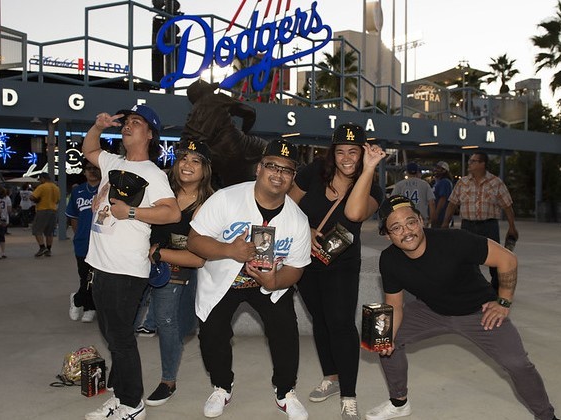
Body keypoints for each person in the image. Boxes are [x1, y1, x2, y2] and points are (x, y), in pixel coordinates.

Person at [365, 195, 559, 420]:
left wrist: (503, 302)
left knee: (518, 364)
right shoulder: (389, 260)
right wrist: (385, 337)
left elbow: (508, 259)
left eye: (411, 222)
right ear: (386, 234)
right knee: (386, 340)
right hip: (431, 310)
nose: (406, 231)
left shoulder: (454, 240)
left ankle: (546, 416)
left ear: (421, 220)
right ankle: (399, 403)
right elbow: (394, 305)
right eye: (396, 228)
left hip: (478, 312)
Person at [187, 139, 311, 420]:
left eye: (287, 170)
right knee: (212, 334)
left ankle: (285, 391)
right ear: (259, 168)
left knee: (285, 332)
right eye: (272, 166)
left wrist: (275, 282)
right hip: (224, 280)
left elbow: (296, 267)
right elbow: (194, 241)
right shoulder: (227, 198)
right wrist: (228, 250)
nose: (278, 174)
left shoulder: (297, 220)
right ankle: (221, 386)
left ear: (292, 178)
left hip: (268, 282)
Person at [82, 105, 181, 420]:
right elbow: (89, 149)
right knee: (112, 336)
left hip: (126, 269)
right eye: (126, 122)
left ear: (149, 134)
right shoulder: (113, 162)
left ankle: (132, 404)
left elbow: (172, 212)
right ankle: (121, 395)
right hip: (101, 264)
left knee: (121, 338)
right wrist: (97, 126)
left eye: (136, 123)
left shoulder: (153, 173)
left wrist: (132, 212)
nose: (127, 126)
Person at [288, 123, 385, 420]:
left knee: (341, 322)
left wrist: (367, 169)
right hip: (306, 258)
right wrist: (307, 228)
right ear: (333, 152)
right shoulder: (312, 173)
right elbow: (287, 205)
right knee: (320, 318)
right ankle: (331, 377)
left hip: (342, 264)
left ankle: (349, 394)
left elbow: (354, 214)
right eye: (340, 151)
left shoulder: (373, 189)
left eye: (353, 152)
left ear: (363, 153)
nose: (346, 158)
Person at [143, 139, 214, 408]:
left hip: (177, 269)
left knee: (169, 324)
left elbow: (198, 258)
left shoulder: (209, 204)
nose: (187, 164)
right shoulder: (161, 191)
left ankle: (168, 381)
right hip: (141, 265)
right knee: (125, 319)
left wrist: (159, 254)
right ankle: (122, 370)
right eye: (183, 158)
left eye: (195, 161)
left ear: (205, 169)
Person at [441, 152, 518, 291]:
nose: (469, 164)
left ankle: (496, 290)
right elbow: (452, 203)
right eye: (470, 161)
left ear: (482, 164)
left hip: (489, 225)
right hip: (468, 226)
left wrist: (512, 227)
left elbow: (507, 206)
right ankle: (471, 289)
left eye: (473, 161)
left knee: (495, 260)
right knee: (467, 259)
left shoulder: (496, 182)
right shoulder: (462, 182)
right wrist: (445, 223)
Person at [180, 79, 267, 187]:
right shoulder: (217, 98)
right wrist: (244, 132)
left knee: (230, 185)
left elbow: (186, 141)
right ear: (206, 91)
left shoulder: (193, 113)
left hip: (216, 158)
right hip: (236, 145)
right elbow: (250, 113)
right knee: (268, 149)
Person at [66, 160, 101, 323]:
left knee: (97, 278)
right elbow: (73, 217)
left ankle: (78, 300)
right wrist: (79, 234)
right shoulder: (77, 191)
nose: (92, 172)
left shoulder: (105, 190)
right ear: (84, 172)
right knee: (85, 277)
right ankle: (89, 307)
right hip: (83, 242)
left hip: (102, 243)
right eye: (89, 169)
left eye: (96, 168)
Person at [391, 162, 435, 227]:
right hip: (421, 219)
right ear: (417, 172)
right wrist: (431, 219)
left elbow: (392, 201)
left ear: (407, 172)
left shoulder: (399, 185)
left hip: (404, 219)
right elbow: (432, 203)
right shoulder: (425, 184)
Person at [30, 172, 60, 257]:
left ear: (43, 178)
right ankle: (49, 250)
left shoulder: (42, 187)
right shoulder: (56, 187)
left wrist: (37, 200)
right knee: (49, 232)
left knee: (37, 230)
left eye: (40, 179)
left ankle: (42, 247)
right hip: (53, 211)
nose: (40, 181)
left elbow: (32, 197)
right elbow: (58, 200)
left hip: (42, 210)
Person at [430, 161, 452, 228]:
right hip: (438, 216)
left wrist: (436, 214)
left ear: (444, 171)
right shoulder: (437, 182)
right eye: (436, 168)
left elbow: (443, 199)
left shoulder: (444, 182)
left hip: (441, 216)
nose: (436, 170)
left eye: (438, 168)